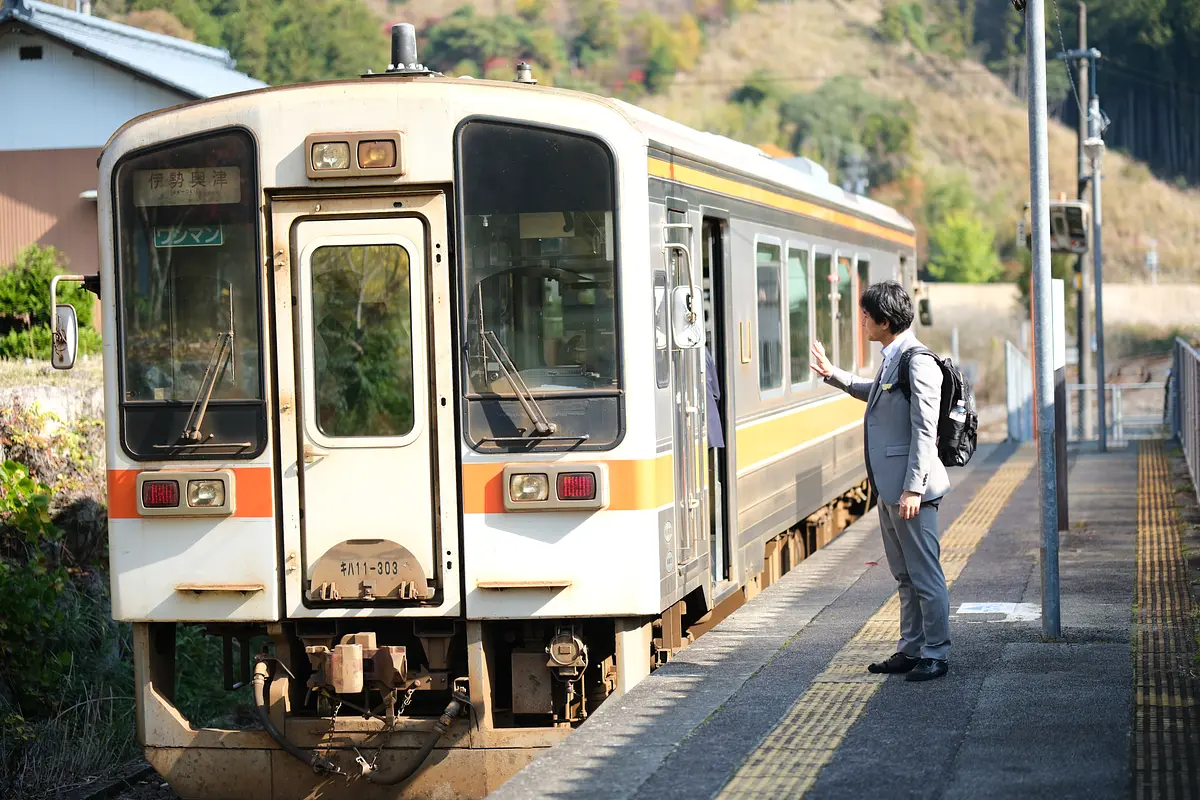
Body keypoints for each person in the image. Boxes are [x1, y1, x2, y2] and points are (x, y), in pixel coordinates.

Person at [810, 280, 951, 682]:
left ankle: (937, 653)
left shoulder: (917, 361)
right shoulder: (894, 357)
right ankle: (911, 648)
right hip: (891, 488)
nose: (864, 323)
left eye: (867, 317)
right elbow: (878, 393)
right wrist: (834, 375)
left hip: (910, 491)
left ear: (885, 321)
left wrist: (913, 487)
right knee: (905, 576)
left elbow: (924, 430)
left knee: (926, 575)